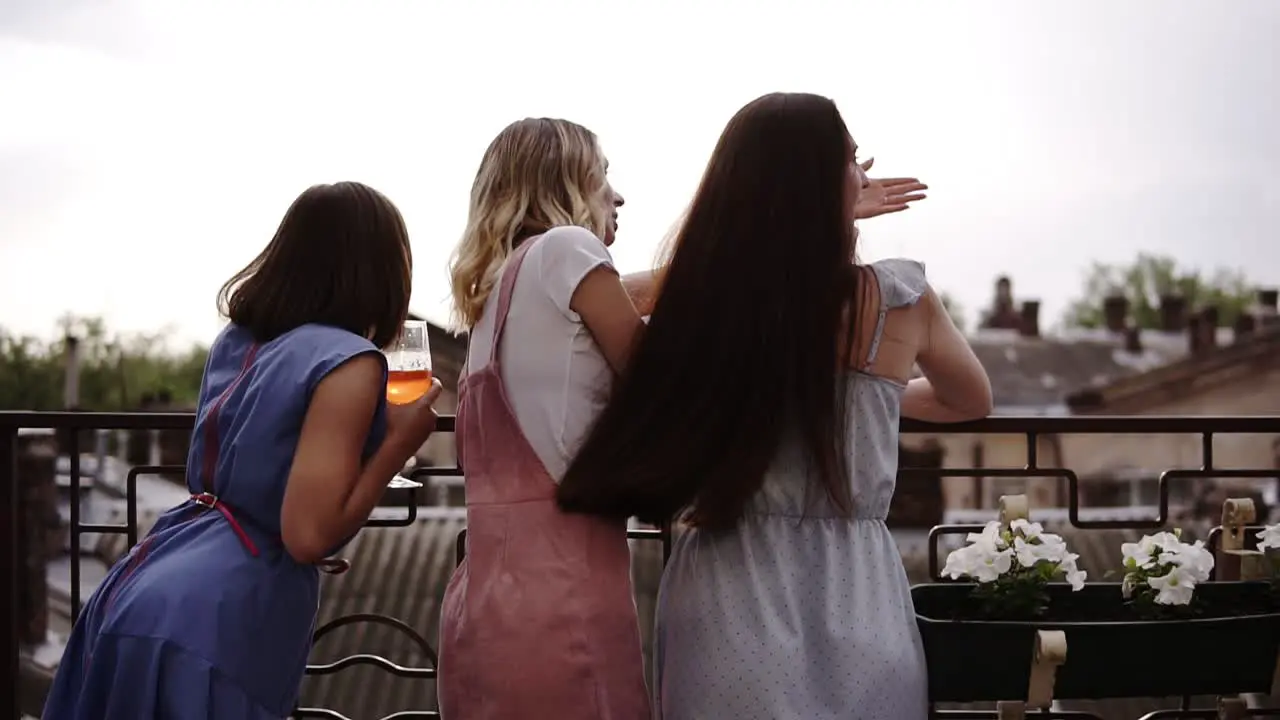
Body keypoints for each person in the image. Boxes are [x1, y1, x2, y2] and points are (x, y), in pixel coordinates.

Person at [557, 92, 993, 719]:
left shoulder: (705, 307)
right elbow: (968, 399)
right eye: (851, 162)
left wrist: (744, 247)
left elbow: (593, 302)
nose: (864, 176)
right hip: (859, 593)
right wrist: (874, 399)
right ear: (820, 184)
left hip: (727, 593)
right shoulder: (898, 299)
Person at [42, 182, 443, 719]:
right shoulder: (352, 362)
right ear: (381, 272)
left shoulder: (240, 341)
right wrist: (398, 443)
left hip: (145, 582)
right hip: (218, 616)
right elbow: (306, 537)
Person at [437, 117, 651, 719]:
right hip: (564, 596)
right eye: (604, 173)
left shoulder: (501, 290)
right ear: (565, 181)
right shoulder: (568, 249)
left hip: (486, 601)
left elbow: (633, 294)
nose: (618, 194)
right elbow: (660, 382)